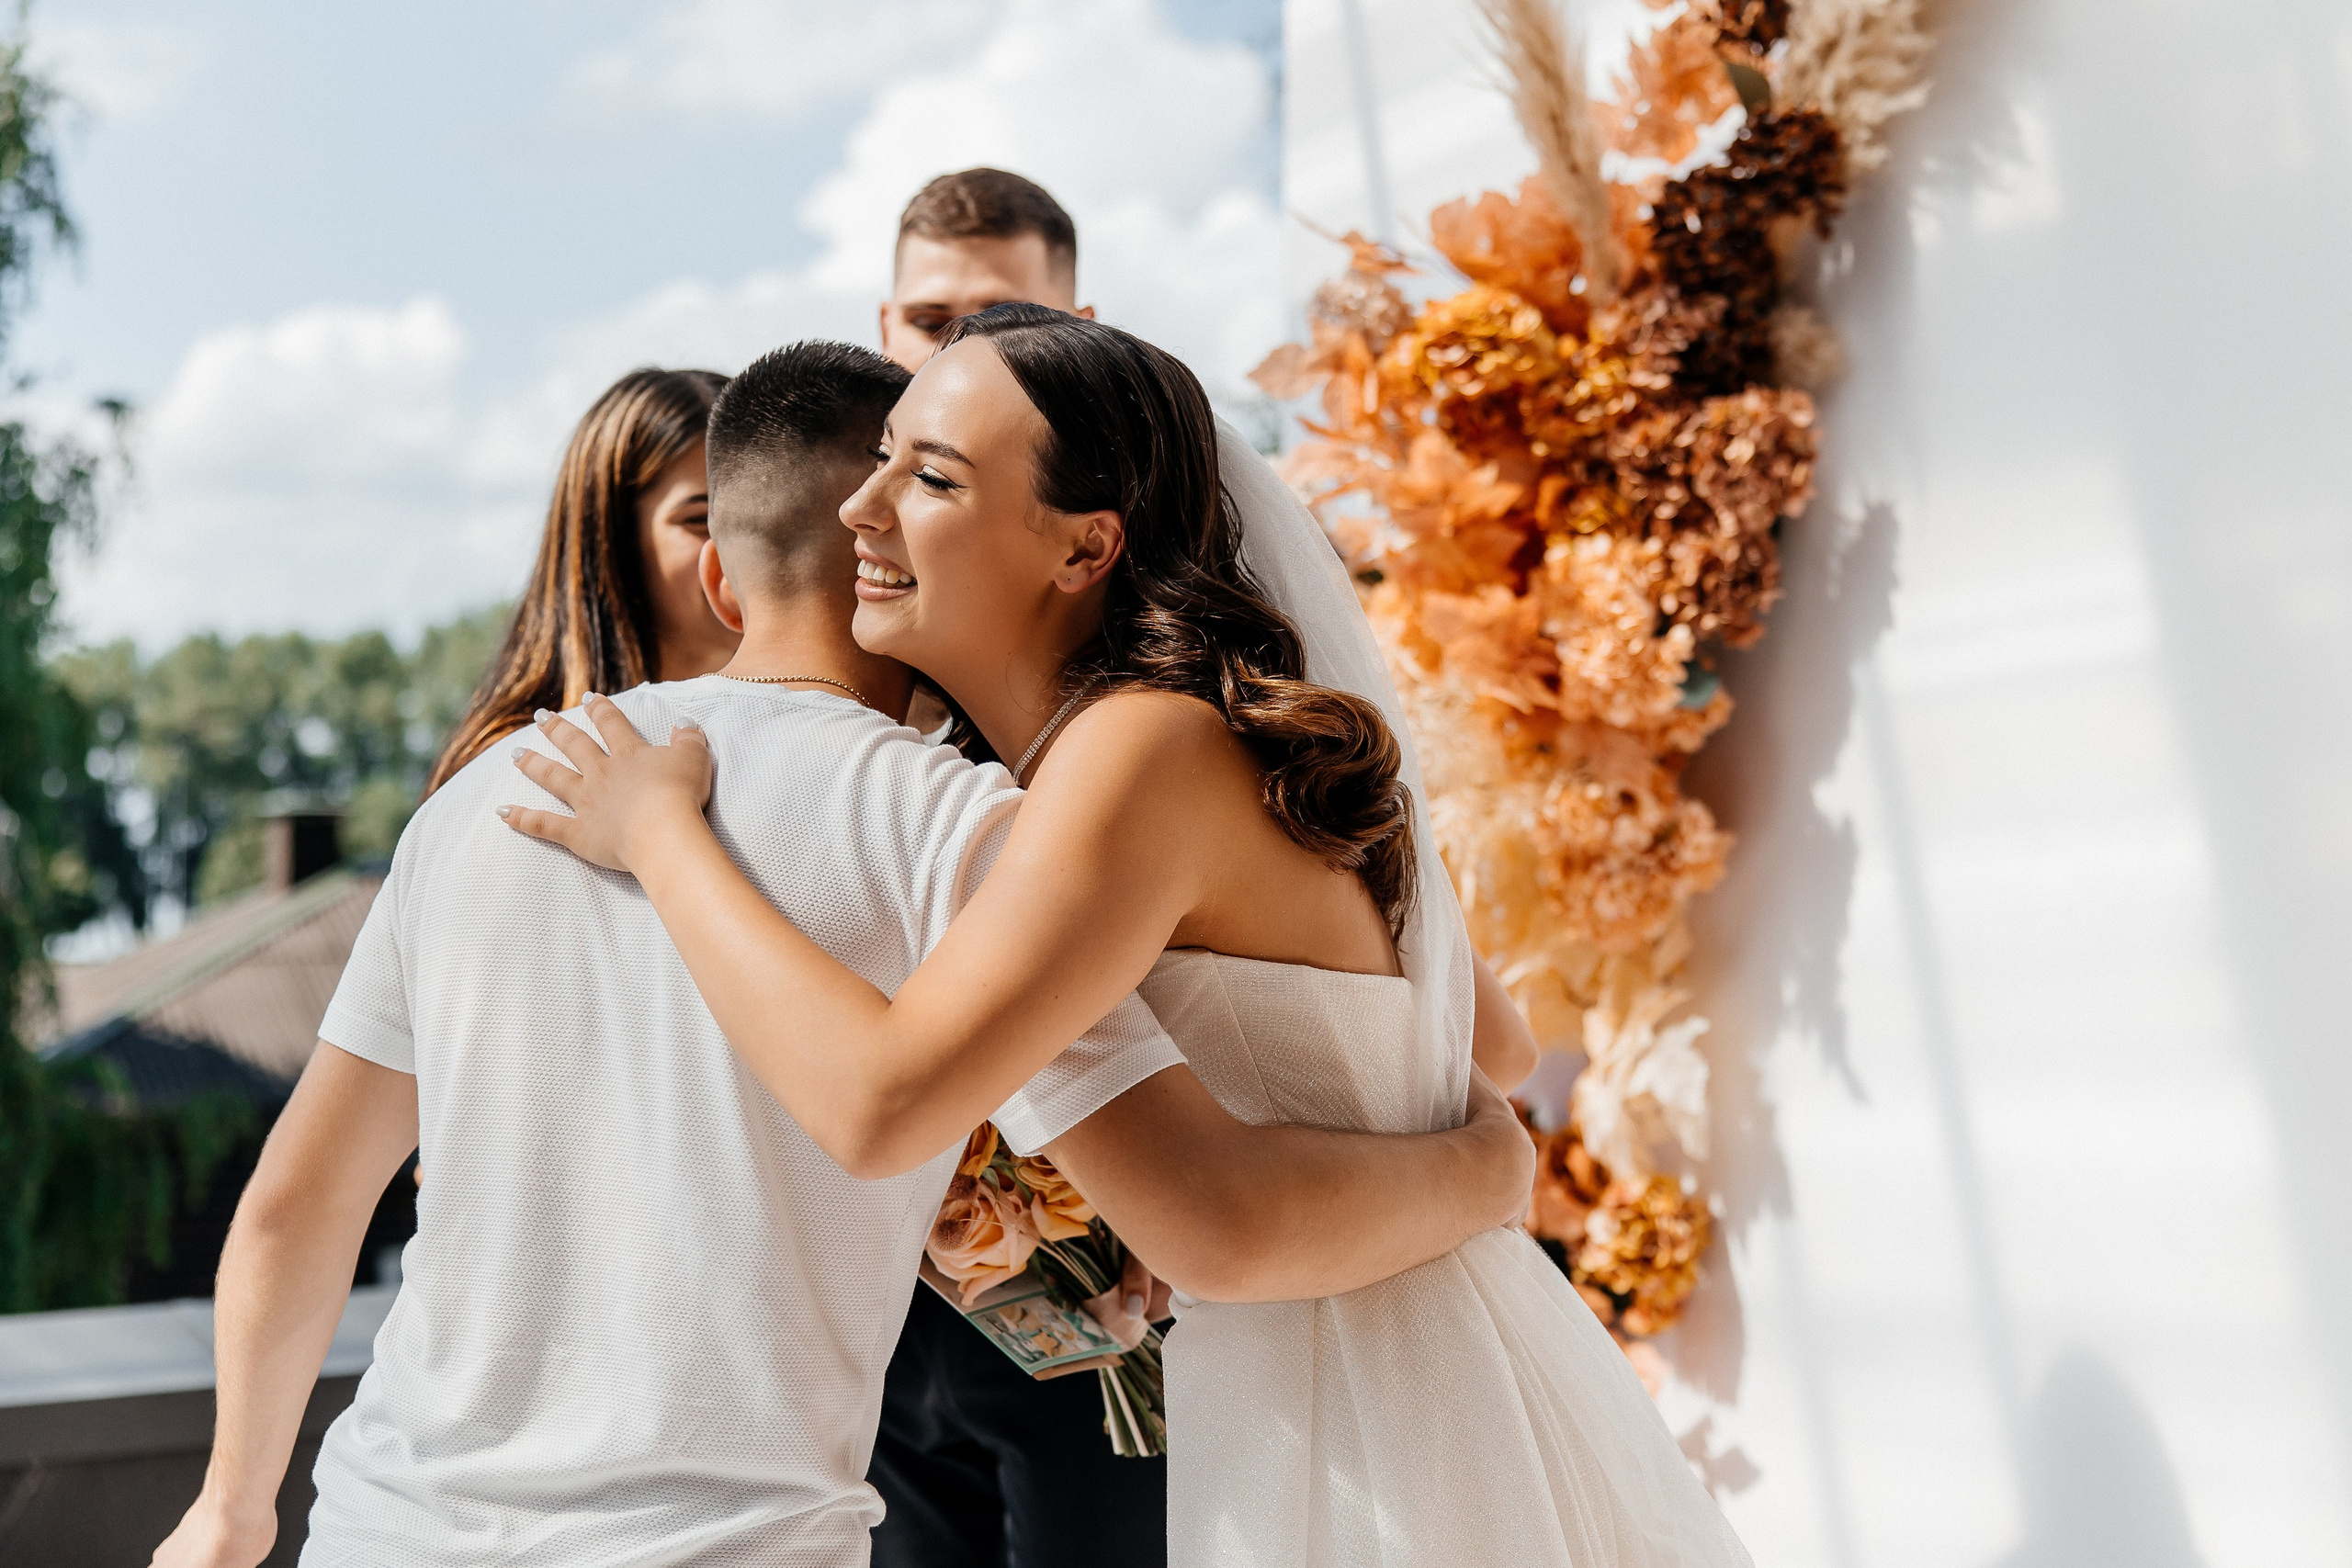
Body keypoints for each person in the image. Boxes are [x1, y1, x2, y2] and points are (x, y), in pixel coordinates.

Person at [150, 341, 1535, 1568]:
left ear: (722, 574)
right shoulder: (959, 832)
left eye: (923, 477)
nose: (886, 506)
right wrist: (1486, 1162)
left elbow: (294, 1204)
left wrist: (229, 1506)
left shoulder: (484, 797)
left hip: (383, 1525)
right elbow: (1200, 1200)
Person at [505, 309, 1753, 1566]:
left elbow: (885, 1108)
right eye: (882, 457)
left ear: (1086, 545)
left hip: (1376, 1410)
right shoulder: (1162, 739)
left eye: (931, 477)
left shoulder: (1137, 749)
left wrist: (662, 836)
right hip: (1403, 1357)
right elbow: (1490, 1041)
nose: (861, 509)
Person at [867, 164, 1159, 1568]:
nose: (960, 349)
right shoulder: (840, 561)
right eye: (931, 321)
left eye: (999, 317)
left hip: (1110, 1279)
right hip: (874, 1306)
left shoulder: (1141, 613)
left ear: (1078, 326)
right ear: (883, 326)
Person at [425, 367, 737, 795]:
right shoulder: (518, 763)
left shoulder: (810, 726)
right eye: (700, 520)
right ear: (613, 541)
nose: (746, 545)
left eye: (767, 516)